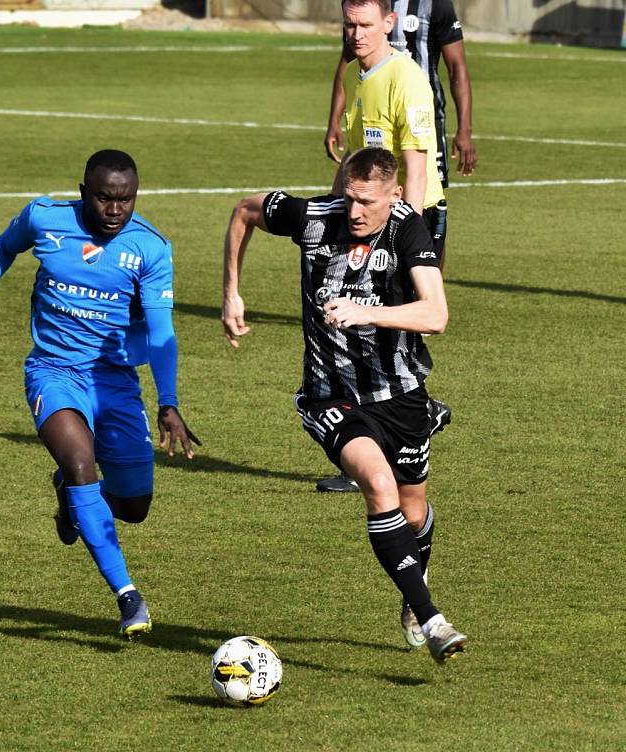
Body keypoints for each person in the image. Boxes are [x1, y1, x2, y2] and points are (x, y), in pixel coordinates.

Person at [221, 147, 467, 663]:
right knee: (376, 485)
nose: (354, 211)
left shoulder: (408, 230)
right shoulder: (315, 217)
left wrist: (366, 311)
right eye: (348, 198)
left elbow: (436, 314)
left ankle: (412, 588)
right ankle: (433, 619)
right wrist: (232, 293)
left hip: (400, 396)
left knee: (412, 508)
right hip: (329, 395)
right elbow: (245, 210)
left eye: (366, 202)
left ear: (394, 195)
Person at [0, 149, 199, 638]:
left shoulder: (150, 249)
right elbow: (3, 246)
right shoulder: (45, 218)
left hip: (115, 381)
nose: (114, 210)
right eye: (105, 198)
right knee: (80, 463)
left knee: (134, 506)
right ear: (84, 191)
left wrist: (167, 400)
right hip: (54, 372)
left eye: (125, 200)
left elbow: (160, 330)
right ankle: (128, 597)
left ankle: (73, 499)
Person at [320, 0, 459, 492]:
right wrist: (334, 217)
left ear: (389, 23)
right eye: (349, 24)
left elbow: (415, 167)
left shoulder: (406, 78)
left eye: (364, 24)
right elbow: (360, 161)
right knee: (362, 329)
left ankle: (413, 416)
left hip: (411, 219)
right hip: (378, 221)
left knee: (391, 324)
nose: (355, 34)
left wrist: (404, 234)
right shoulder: (366, 77)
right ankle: (371, 447)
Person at [325, 0, 476, 182]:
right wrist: (334, 120)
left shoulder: (434, 3)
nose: (357, 32)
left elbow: (456, 66)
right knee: (373, 184)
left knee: (423, 184)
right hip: (375, 110)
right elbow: (348, 60)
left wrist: (464, 130)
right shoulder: (365, 5)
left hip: (422, 116)